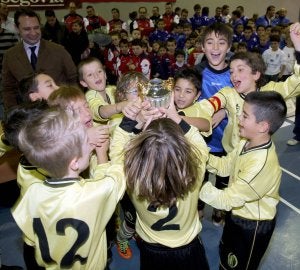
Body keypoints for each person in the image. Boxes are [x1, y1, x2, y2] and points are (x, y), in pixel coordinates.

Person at [12, 105, 125, 270]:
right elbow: (118, 171)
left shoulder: (31, 192)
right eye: (87, 141)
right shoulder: (96, 193)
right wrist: (107, 149)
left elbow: (30, 240)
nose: (90, 142)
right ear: (75, 163)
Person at [110, 98, 209, 270]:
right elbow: (199, 142)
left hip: (151, 249)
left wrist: (131, 121)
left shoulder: (129, 173)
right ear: (183, 147)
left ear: (138, 149)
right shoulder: (196, 168)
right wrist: (175, 117)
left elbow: (117, 151)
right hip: (188, 248)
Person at [200, 91, 287, 269]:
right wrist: (202, 158)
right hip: (237, 212)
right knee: (226, 257)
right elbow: (225, 166)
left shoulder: (261, 165)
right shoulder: (245, 141)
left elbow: (227, 199)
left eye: (245, 116)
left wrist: (191, 185)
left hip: (253, 226)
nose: (238, 118)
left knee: (239, 266)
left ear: (263, 126)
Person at [198, 21, 300, 153]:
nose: (234, 76)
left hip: (257, 157)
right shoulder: (229, 93)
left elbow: (296, 81)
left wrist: (298, 48)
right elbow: (206, 105)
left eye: (240, 70)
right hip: (229, 155)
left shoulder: (269, 93)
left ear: (256, 74)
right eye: (231, 72)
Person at [2, 7, 77, 111]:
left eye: (36, 28)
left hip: (60, 112)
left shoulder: (59, 51)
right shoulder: (10, 56)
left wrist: (74, 106)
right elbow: (8, 89)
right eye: (27, 29)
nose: (33, 33)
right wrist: (14, 113)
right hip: (28, 118)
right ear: (16, 28)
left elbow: (74, 79)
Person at [194, 22, 233, 224]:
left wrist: (225, 110)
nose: (215, 48)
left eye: (221, 43)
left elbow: (246, 99)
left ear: (228, 47)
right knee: (200, 177)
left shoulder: (235, 74)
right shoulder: (196, 73)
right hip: (201, 140)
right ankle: (199, 207)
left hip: (226, 142)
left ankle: (219, 210)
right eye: (210, 42)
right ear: (202, 46)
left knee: (223, 178)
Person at [78, 57, 129, 125]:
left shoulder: (112, 89)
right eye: (90, 75)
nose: (96, 76)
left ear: (105, 75)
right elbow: (101, 111)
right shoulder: (89, 96)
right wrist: (119, 106)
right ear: (84, 83)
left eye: (99, 71)